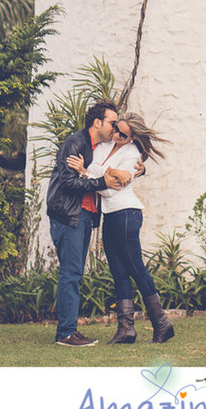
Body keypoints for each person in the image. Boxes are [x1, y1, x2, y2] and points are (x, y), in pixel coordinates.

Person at [67, 111, 174, 345]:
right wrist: (107, 173)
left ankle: (161, 322)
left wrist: (87, 173)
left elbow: (108, 189)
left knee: (135, 268)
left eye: (123, 134)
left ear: (132, 137)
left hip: (126, 213)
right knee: (118, 270)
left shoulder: (133, 154)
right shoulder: (106, 145)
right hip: (110, 215)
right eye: (116, 129)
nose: (116, 135)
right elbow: (100, 172)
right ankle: (126, 329)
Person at [46, 99, 132, 347]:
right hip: (69, 216)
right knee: (71, 274)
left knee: (74, 274)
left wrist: (139, 169)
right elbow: (68, 182)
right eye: (112, 123)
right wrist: (101, 182)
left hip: (84, 216)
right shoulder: (75, 142)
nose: (115, 128)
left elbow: (128, 152)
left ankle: (69, 330)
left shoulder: (100, 147)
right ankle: (66, 333)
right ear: (97, 122)